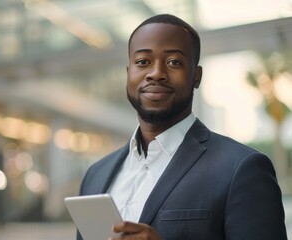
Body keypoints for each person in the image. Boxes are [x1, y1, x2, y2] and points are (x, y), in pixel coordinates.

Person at [77, 14, 287, 239]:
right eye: (143, 62)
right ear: (128, 74)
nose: (156, 73)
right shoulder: (95, 175)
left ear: (196, 77)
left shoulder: (241, 168)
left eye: (174, 62)